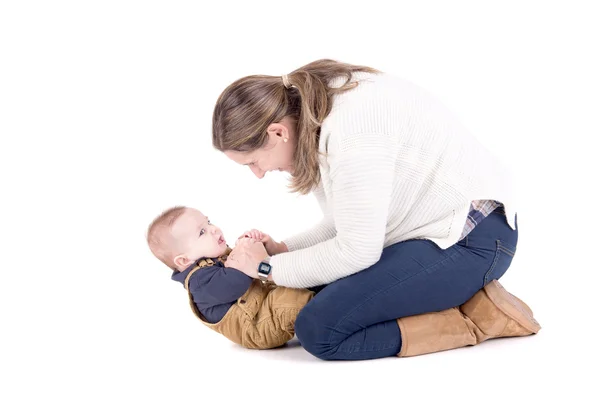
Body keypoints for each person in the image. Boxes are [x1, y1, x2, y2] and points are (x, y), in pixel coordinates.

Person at [213, 59, 541, 361]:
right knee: (313, 288)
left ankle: (476, 318)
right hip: (432, 234)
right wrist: (284, 250)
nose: (257, 173)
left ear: (277, 132)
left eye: (253, 162)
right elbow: (345, 223)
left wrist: (267, 269)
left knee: (320, 330)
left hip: (473, 241)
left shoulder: (351, 133)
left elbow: (356, 251)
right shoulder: (320, 108)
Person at [146, 206, 313, 349]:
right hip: (258, 326)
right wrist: (245, 254)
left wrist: (250, 244)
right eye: (202, 232)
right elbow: (235, 282)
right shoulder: (199, 283)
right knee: (292, 299)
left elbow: (248, 264)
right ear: (184, 260)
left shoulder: (214, 256)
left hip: (265, 305)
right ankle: (323, 306)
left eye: (208, 222)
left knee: (293, 281)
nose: (214, 229)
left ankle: (322, 295)